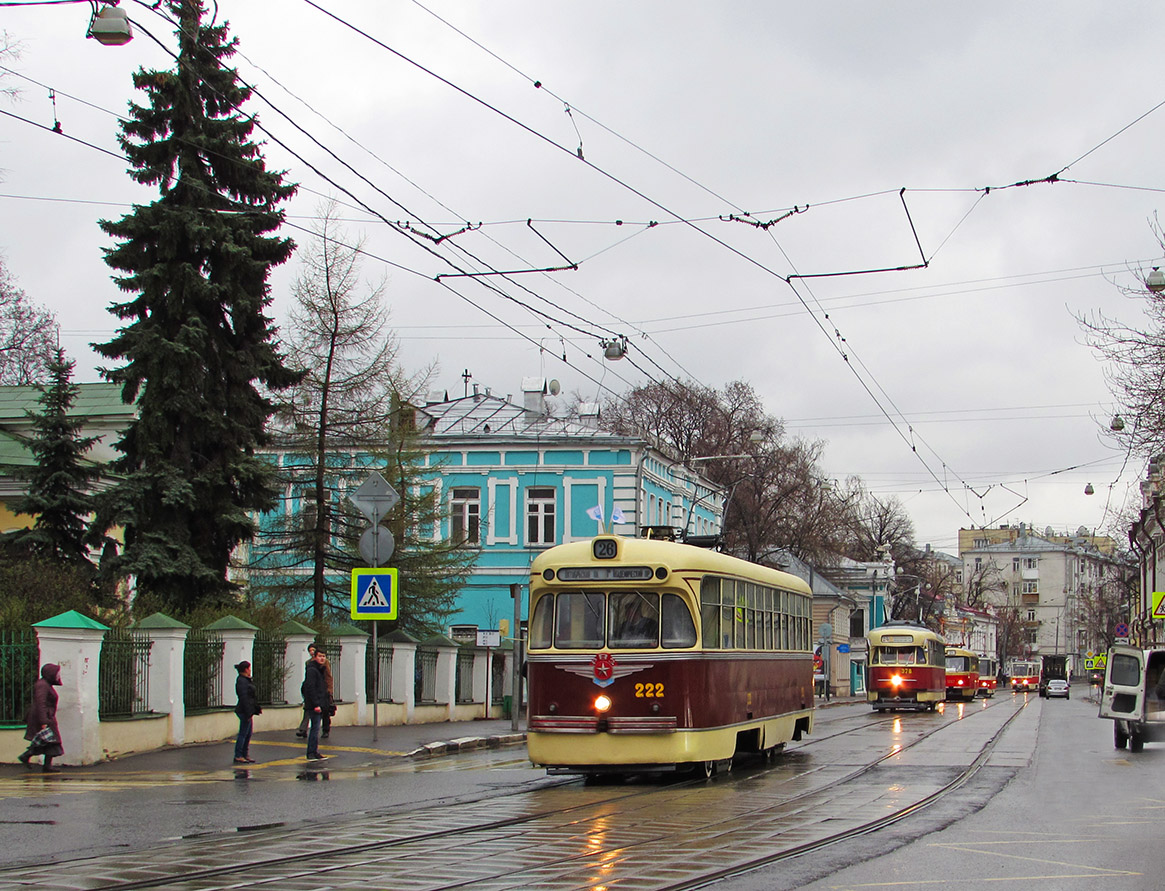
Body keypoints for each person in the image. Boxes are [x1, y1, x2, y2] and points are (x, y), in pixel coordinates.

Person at [19, 663, 64, 773]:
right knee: (49, 740)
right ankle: (29, 756)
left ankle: (43, 764)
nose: (58, 676)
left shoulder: (46, 684)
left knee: (47, 741)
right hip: (42, 717)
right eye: (56, 673)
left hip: (47, 716)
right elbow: (41, 703)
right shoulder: (42, 685)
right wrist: (44, 721)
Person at [295, 644, 334, 738]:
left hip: (323, 690)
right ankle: (303, 729)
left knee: (325, 712)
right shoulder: (309, 663)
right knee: (308, 709)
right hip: (313, 691)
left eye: (313, 650)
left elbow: (328, 676)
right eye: (310, 650)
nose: (311, 652)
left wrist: (329, 690)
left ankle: (326, 729)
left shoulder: (325, 663)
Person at [302, 647, 330, 761]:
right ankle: (311, 753)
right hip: (315, 705)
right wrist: (316, 704)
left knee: (316, 728)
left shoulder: (319, 669)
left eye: (323, 656)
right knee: (315, 729)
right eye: (320, 656)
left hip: (319, 702)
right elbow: (310, 688)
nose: (322, 658)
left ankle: (314, 751)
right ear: (315, 657)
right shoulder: (312, 670)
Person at [233, 660, 260, 764]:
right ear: (245, 669)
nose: (250, 670)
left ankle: (245, 754)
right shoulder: (242, 681)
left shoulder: (246, 680)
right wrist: (248, 712)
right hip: (244, 710)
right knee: (243, 733)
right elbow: (244, 697)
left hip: (248, 710)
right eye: (249, 668)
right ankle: (239, 755)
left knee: (248, 733)